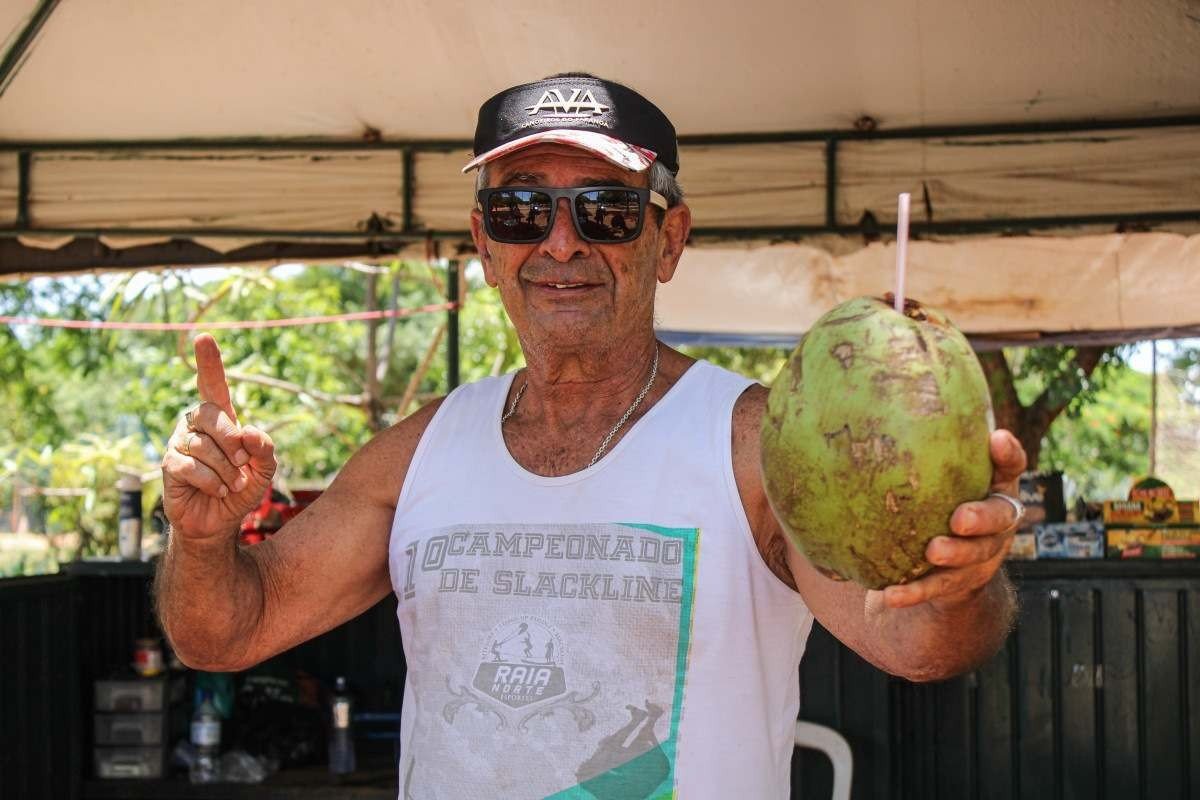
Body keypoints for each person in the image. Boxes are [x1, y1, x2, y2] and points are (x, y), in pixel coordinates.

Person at [156, 73, 1026, 798]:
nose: (561, 243)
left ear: (669, 238)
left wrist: (959, 582)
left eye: (606, 209)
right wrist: (200, 539)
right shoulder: (418, 453)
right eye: (521, 210)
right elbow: (224, 633)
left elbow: (916, 646)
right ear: (485, 245)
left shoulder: (753, 444)